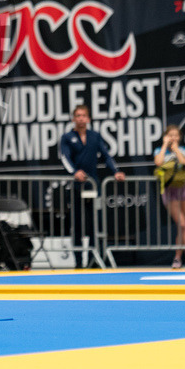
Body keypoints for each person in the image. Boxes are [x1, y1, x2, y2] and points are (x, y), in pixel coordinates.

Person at [59, 104, 125, 269]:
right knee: (77, 225)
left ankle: (92, 260)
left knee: (94, 225)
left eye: (84, 115)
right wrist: (75, 172)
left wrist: (116, 171)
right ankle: (78, 262)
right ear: (74, 118)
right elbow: (64, 157)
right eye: (78, 115)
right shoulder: (67, 137)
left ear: (88, 119)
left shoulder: (94, 136)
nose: (81, 118)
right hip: (76, 187)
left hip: (93, 186)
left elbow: (106, 155)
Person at [154, 124, 185, 269]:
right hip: (170, 191)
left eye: (175, 135)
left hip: (183, 189)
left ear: (179, 137)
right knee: (182, 224)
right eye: (170, 135)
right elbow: (158, 163)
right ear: (165, 136)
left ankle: (179, 258)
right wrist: (165, 145)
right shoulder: (159, 150)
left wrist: (176, 149)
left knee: (181, 227)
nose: (173, 138)